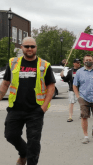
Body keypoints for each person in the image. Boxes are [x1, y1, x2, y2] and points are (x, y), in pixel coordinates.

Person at [0, 37, 56, 165]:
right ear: (22, 47)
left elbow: (51, 86)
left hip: (35, 110)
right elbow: (5, 83)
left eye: (32, 46)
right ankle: (23, 153)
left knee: (34, 142)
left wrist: (44, 107)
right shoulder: (13, 63)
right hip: (15, 108)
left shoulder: (44, 65)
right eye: (27, 46)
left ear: (36, 47)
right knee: (10, 135)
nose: (30, 49)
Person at [73, 54, 93, 144]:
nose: (88, 61)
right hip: (84, 98)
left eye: (90, 60)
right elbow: (75, 85)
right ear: (83, 62)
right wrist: (78, 96)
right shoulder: (79, 72)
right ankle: (86, 136)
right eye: (87, 60)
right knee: (84, 116)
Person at [61, 58, 81, 122]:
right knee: (71, 103)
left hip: (81, 89)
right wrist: (62, 76)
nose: (79, 64)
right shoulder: (70, 71)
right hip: (72, 89)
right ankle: (70, 117)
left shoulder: (82, 70)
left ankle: (82, 114)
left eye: (79, 62)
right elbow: (66, 80)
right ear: (74, 63)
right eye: (77, 62)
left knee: (82, 102)